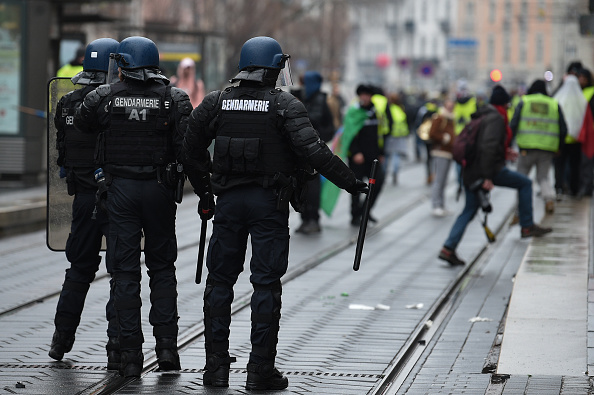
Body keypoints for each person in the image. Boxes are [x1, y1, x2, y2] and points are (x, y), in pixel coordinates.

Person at [182, 36, 367, 390]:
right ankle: (259, 372)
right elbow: (314, 151)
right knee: (266, 284)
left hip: (229, 205)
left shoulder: (216, 102)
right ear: (272, 68)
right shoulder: (285, 105)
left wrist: (206, 193)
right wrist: (351, 183)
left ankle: (215, 369)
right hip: (269, 206)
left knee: (220, 282)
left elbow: (189, 148)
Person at [75, 36, 193, 377]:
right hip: (159, 192)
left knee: (125, 273)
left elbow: (83, 123)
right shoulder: (175, 98)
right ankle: (168, 348)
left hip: (119, 193)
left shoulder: (103, 96)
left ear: (123, 63)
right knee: (162, 269)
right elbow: (186, 149)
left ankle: (129, 355)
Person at [49, 38, 121, 369]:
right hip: (117, 199)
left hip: (83, 200)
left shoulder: (65, 103)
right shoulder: (116, 102)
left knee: (78, 270)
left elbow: (62, 156)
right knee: (121, 273)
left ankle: (60, 341)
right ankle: (116, 348)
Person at [438, 85, 552, 266]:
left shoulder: (484, 115)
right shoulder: (496, 119)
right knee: (524, 183)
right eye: (507, 105)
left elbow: (486, 145)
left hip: (472, 171)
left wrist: (504, 152)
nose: (508, 109)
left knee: (469, 209)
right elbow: (487, 148)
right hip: (485, 171)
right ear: (503, 104)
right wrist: (487, 177)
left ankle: (448, 248)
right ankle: (527, 225)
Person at [510, 79, 567, 215]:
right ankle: (549, 199)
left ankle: (519, 210)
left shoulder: (524, 101)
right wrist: (559, 146)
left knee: (521, 177)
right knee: (543, 177)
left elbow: (513, 124)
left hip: (526, 147)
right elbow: (563, 128)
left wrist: (508, 144)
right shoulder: (553, 103)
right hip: (547, 149)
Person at [295, 70, 335, 235]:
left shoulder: (321, 100)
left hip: (313, 151)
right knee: (300, 185)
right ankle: (304, 219)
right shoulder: (299, 97)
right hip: (298, 150)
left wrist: (317, 140)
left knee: (312, 186)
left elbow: (329, 127)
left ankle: (313, 219)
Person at [343, 84, 386, 226]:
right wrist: (355, 152)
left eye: (367, 95)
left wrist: (381, 153)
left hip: (373, 157)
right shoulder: (354, 111)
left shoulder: (376, 111)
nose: (365, 97)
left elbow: (380, 133)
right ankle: (355, 215)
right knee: (355, 188)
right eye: (362, 95)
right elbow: (349, 133)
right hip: (357, 158)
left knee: (377, 183)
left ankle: (365, 211)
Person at [553, 75, 587, 197]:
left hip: (561, 139)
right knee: (575, 166)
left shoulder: (559, 98)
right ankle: (574, 188)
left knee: (559, 165)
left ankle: (559, 187)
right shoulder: (582, 99)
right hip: (576, 139)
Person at [428, 98, 456, 216]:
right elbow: (432, 133)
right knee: (439, 180)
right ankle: (436, 205)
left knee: (444, 180)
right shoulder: (440, 117)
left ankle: (442, 204)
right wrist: (444, 138)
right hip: (441, 152)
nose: (450, 107)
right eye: (448, 105)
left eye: (452, 105)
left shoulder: (452, 118)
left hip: (449, 152)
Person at [382, 93, 409, 185]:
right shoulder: (400, 109)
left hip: (390, 135)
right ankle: (395, 172)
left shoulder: (388, 109)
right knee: (396, 156)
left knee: (386, 156)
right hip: (400, 135)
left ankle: (384, 174)